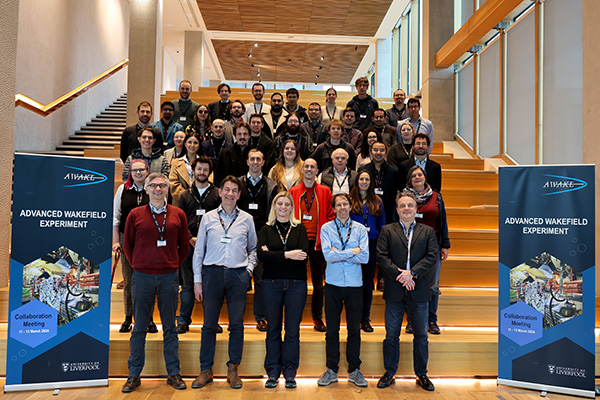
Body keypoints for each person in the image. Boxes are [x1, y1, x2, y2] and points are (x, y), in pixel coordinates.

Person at [121, 173, 189, 393]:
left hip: (169, 277)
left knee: (170, 327)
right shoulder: (135, 214)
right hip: (142, 277)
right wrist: (140, 265)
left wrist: (171, 265)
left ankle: (173, 373)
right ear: (147, 189)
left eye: (162, 185)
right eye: (154, 185)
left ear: (167, 189)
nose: (158, 189)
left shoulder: (178, 214)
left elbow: (184, 246)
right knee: (139, 327)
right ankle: (134, 375)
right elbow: (127, 244)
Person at [192, 176, 257, 390]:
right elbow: (199, 251)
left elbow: (253, 249)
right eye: (226, 189)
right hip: (212, 275)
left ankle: (233, 370)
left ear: (239, 195)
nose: (230, 194)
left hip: (238, 275)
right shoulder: (209, 218)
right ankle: (205, 370)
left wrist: (248, 271)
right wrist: (197, 280)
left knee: (236, 325)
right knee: (209, 325)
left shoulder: (247, 219)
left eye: (234, 190)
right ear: (220, 192)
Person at [376, 192, 438, 391]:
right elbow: (382, 256)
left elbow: (431, 256)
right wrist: (400, 275)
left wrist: (412, 273)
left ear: (416, 208)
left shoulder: (427, 231)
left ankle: (422, 374)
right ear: (397, 209)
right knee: (391, 335)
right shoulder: (387, 230)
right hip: (395, 289)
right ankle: (389, 372)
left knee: (421, 335)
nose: (406, 209)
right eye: (402, 206)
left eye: (410, 205)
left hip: (419, 290)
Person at [257, 192, 309, 389]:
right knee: (273, 329)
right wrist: (288, 255)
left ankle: (290, 372)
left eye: (287, 204)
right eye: (280, 203)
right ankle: (272, 371)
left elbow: (304, 255)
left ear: (291, 207)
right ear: (274, 206)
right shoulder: (266, 229)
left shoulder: (299, 228)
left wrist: (275, 255)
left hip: (297, 284)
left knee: (292, 330)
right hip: (271, 284)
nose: (283, 207)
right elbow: (261, 255)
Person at [317, 193, 369, 388]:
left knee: (354, 329)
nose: (342, 208)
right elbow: (328, 256)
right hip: (333, 284)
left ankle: (354, 370)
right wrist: (352, 252)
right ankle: (331, 369)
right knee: (332, 330)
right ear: (334, 208)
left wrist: (339, 253)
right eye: (338, 205)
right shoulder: (326, 228)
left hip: (355, 285)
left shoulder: (360, 229)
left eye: (345, 204)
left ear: (350, 205)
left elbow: (364, 257)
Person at [175, 156, 220, 334]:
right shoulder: (184, 195)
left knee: (210, 286)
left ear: (210, 172)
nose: (202, 173)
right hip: (189, 246)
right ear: (193, 171)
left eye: (205, 170)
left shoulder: (217, 193)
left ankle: (211, 321)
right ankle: (183, 320)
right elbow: (180, 221)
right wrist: (191, 238)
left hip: (211, 247)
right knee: (187, 285)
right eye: (199, 169)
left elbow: (220, 219)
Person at [403, 165, 450, 335]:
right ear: (410, 179)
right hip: (410, 246)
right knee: (410, 284)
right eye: (413, 175)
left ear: (425, 177)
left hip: (433, 246)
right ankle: (412, 321)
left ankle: (431, 320)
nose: (417, 177)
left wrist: (445, 244)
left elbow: (442, 221)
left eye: (419, 174)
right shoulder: (404, 197)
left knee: (433, 286)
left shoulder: (437, 197)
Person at [288, 159, 335, 331]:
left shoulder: (325, 191)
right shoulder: (292, 191)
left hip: (318, 243)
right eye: (306, 166)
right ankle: (293, 317)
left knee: (318, 284)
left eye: (312, 167)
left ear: (317, 171)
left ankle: (317, 317)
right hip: (298, 242)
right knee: (295, 281)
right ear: (302, 170)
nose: (309, 169)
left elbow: (331, 216)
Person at [112, 160, 154, 334]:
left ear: (147, 171)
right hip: (126, 240)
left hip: (149, 241)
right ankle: (128, 318)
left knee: (148, 282)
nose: (138, 173)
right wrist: (116, 241)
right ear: (130, 172)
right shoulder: (123, 190)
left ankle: (148, 319)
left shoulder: (154, 188)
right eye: (134, 170)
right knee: (129, 281)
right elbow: (116, 217)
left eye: (141, 170)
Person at [237, 149, 278, 331]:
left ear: (263, 163)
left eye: (258, 159)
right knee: (239, 278)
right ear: (247, 161)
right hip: (240, 234)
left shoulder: (271, 184)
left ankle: (261, 317)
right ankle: (236, 316)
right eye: (252, 159)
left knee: (260, 278)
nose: (255, 162)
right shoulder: (238, 183)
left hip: (262, 234)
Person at [349, 170, 386, 332]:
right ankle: (353, 317)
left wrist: (380, 247)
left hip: (371, 244)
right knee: (354, 282)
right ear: (357, 181)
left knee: (368, 283)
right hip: (353, 245)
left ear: (371, 183)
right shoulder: (349, 200)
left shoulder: (378, 201)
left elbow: (382, 225)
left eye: (367, 179)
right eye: (361, 179)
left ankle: (365, 318)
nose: (364, 182)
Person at [358, 142, 400, 224]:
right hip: (368, 211)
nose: (378, 153)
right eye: (375, 150)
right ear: (371, 152)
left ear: (386, 153)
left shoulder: (393, 172)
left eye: (381, 150)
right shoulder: (362, 170)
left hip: (388, 211)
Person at [169, 132, 201, 207]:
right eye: (189, 142)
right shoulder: (176, 162)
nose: (192, 145)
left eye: (195, 143)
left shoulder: (205, 162)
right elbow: (173, 184)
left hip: (199, 202)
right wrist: (188, 197)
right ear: (185, 144)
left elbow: (209, 181)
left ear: (199, 145)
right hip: (180, 202)